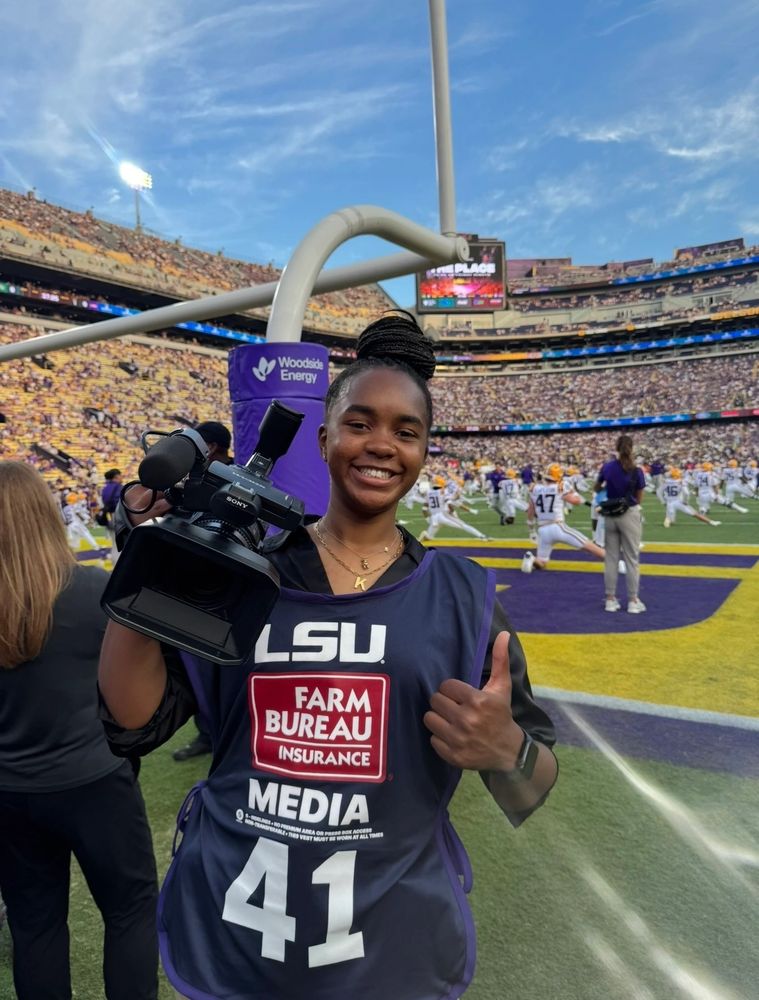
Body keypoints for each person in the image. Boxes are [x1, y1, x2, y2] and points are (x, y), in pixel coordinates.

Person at [98, 312, 558, 1000]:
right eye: (360, 423)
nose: (381, 445)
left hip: (389, 953)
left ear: (425, 450)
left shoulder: (462, 595)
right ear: (322, 439)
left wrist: (506, 749)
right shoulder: (250, 572)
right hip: (237, 936)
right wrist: (151, 553)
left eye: (406, 431)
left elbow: (535, 782)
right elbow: (132, 719)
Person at [0, 461, 158, 1000]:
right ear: (46, 516)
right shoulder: (92, 588)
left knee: (34, 925)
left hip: (12, 791)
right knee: (131, 911)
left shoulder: (90, 587)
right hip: (95, 783)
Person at [171, 419, 232, 762]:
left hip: (222, 584)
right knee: (197, 666)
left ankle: (219, 731)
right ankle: (208, 732)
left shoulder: (231, 478)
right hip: (195, 583)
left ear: (207, 447)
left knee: (217, 666)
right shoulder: (194, 478)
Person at [521, 463, 606, 573]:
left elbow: (530, 511)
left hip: (542, 530)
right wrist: (573, 492)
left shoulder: (535, 489)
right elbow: (575, 501)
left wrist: (531, 530)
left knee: (541, 562)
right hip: (558, 527)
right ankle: (617, 563)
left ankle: (531, 559)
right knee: (590, 547)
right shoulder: (559, 487)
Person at [595, 435, 647, 614]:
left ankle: (610, 599)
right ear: (631, 448)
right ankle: (633, 600)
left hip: (610, 513)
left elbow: (597, 486)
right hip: (629, 513)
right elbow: (640, 495)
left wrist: (607, 490)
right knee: (632, 558)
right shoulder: (636, 470)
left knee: (611, 558)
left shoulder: (608, 467)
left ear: (616, 448)